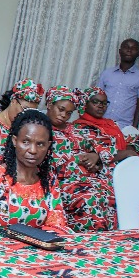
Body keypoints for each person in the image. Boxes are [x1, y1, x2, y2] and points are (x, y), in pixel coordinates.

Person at [0, 110, 70, 240]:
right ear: (14, 141)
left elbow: (57, 227)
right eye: (26, 142)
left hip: (37, 252)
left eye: (40, 144)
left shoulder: (49, 181)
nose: (33, 150)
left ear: (48, 146)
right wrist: (19, 243)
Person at [44, 86, 115, 231]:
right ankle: (86, 242)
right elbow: (43, 161)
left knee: (110, 195)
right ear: (50, 105)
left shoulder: (74, 130)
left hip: (88, 179)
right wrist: (77, 160)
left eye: (69, 113)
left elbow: (106, 149)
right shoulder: (40, 129)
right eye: (61, 109)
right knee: (90, 198)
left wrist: (95, 156)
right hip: (60, 182)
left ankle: (106, 243)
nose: (64, 115)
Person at [72, 87, 139, 173]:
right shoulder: (79, 127)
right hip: (101, 173)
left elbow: (127, 142)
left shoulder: (110, 123)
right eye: (95, 102)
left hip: (123, 167)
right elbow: (98, 153)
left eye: (104, 103)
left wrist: (127, 150)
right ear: (85, 103)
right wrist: (125, 153)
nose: (101, 106)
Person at [97, 38, 139, 128]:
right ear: (120, 51)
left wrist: (133, 129)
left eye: (133, 48)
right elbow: (96, 97)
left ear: (138, 53)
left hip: (123, 126)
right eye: (126, 47)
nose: (129, 50)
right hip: (101, 123)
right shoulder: (107, 73)